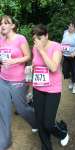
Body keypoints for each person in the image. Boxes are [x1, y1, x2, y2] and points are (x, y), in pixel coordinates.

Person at [0, 15, 37, 150]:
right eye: (1, 23)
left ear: (13, 26)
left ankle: (36, 121)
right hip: (3, 79)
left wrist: (13, 61)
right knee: (3, 110)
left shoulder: (20, 38)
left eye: (6, 23)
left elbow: (28, 56)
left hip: (17, 80)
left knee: (21, 109)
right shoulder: (1, 39)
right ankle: (5, 141)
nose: (2, 25)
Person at [32, 24, 69, 150]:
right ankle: (46, 147)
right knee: (40, 121)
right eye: (35, 38)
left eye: (40, 37)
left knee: (48, 123)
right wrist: (30, 68)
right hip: (38, 88)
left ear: (47, 35)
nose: (37, 40)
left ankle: (63, 133)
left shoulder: (56, 46)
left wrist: (42, 50)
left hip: (52, 90)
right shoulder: (35, 48)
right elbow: (36, 64)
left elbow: (53, 67)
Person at [61, 21, 75, 94]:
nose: (70, 27)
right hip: (65, 55)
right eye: (69, 26)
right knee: (65, 71)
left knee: (74, 71)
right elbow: (62, 42)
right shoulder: (65, 32)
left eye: (72, 26)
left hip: (74, 56)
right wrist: (60, 49)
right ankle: (70, 81)